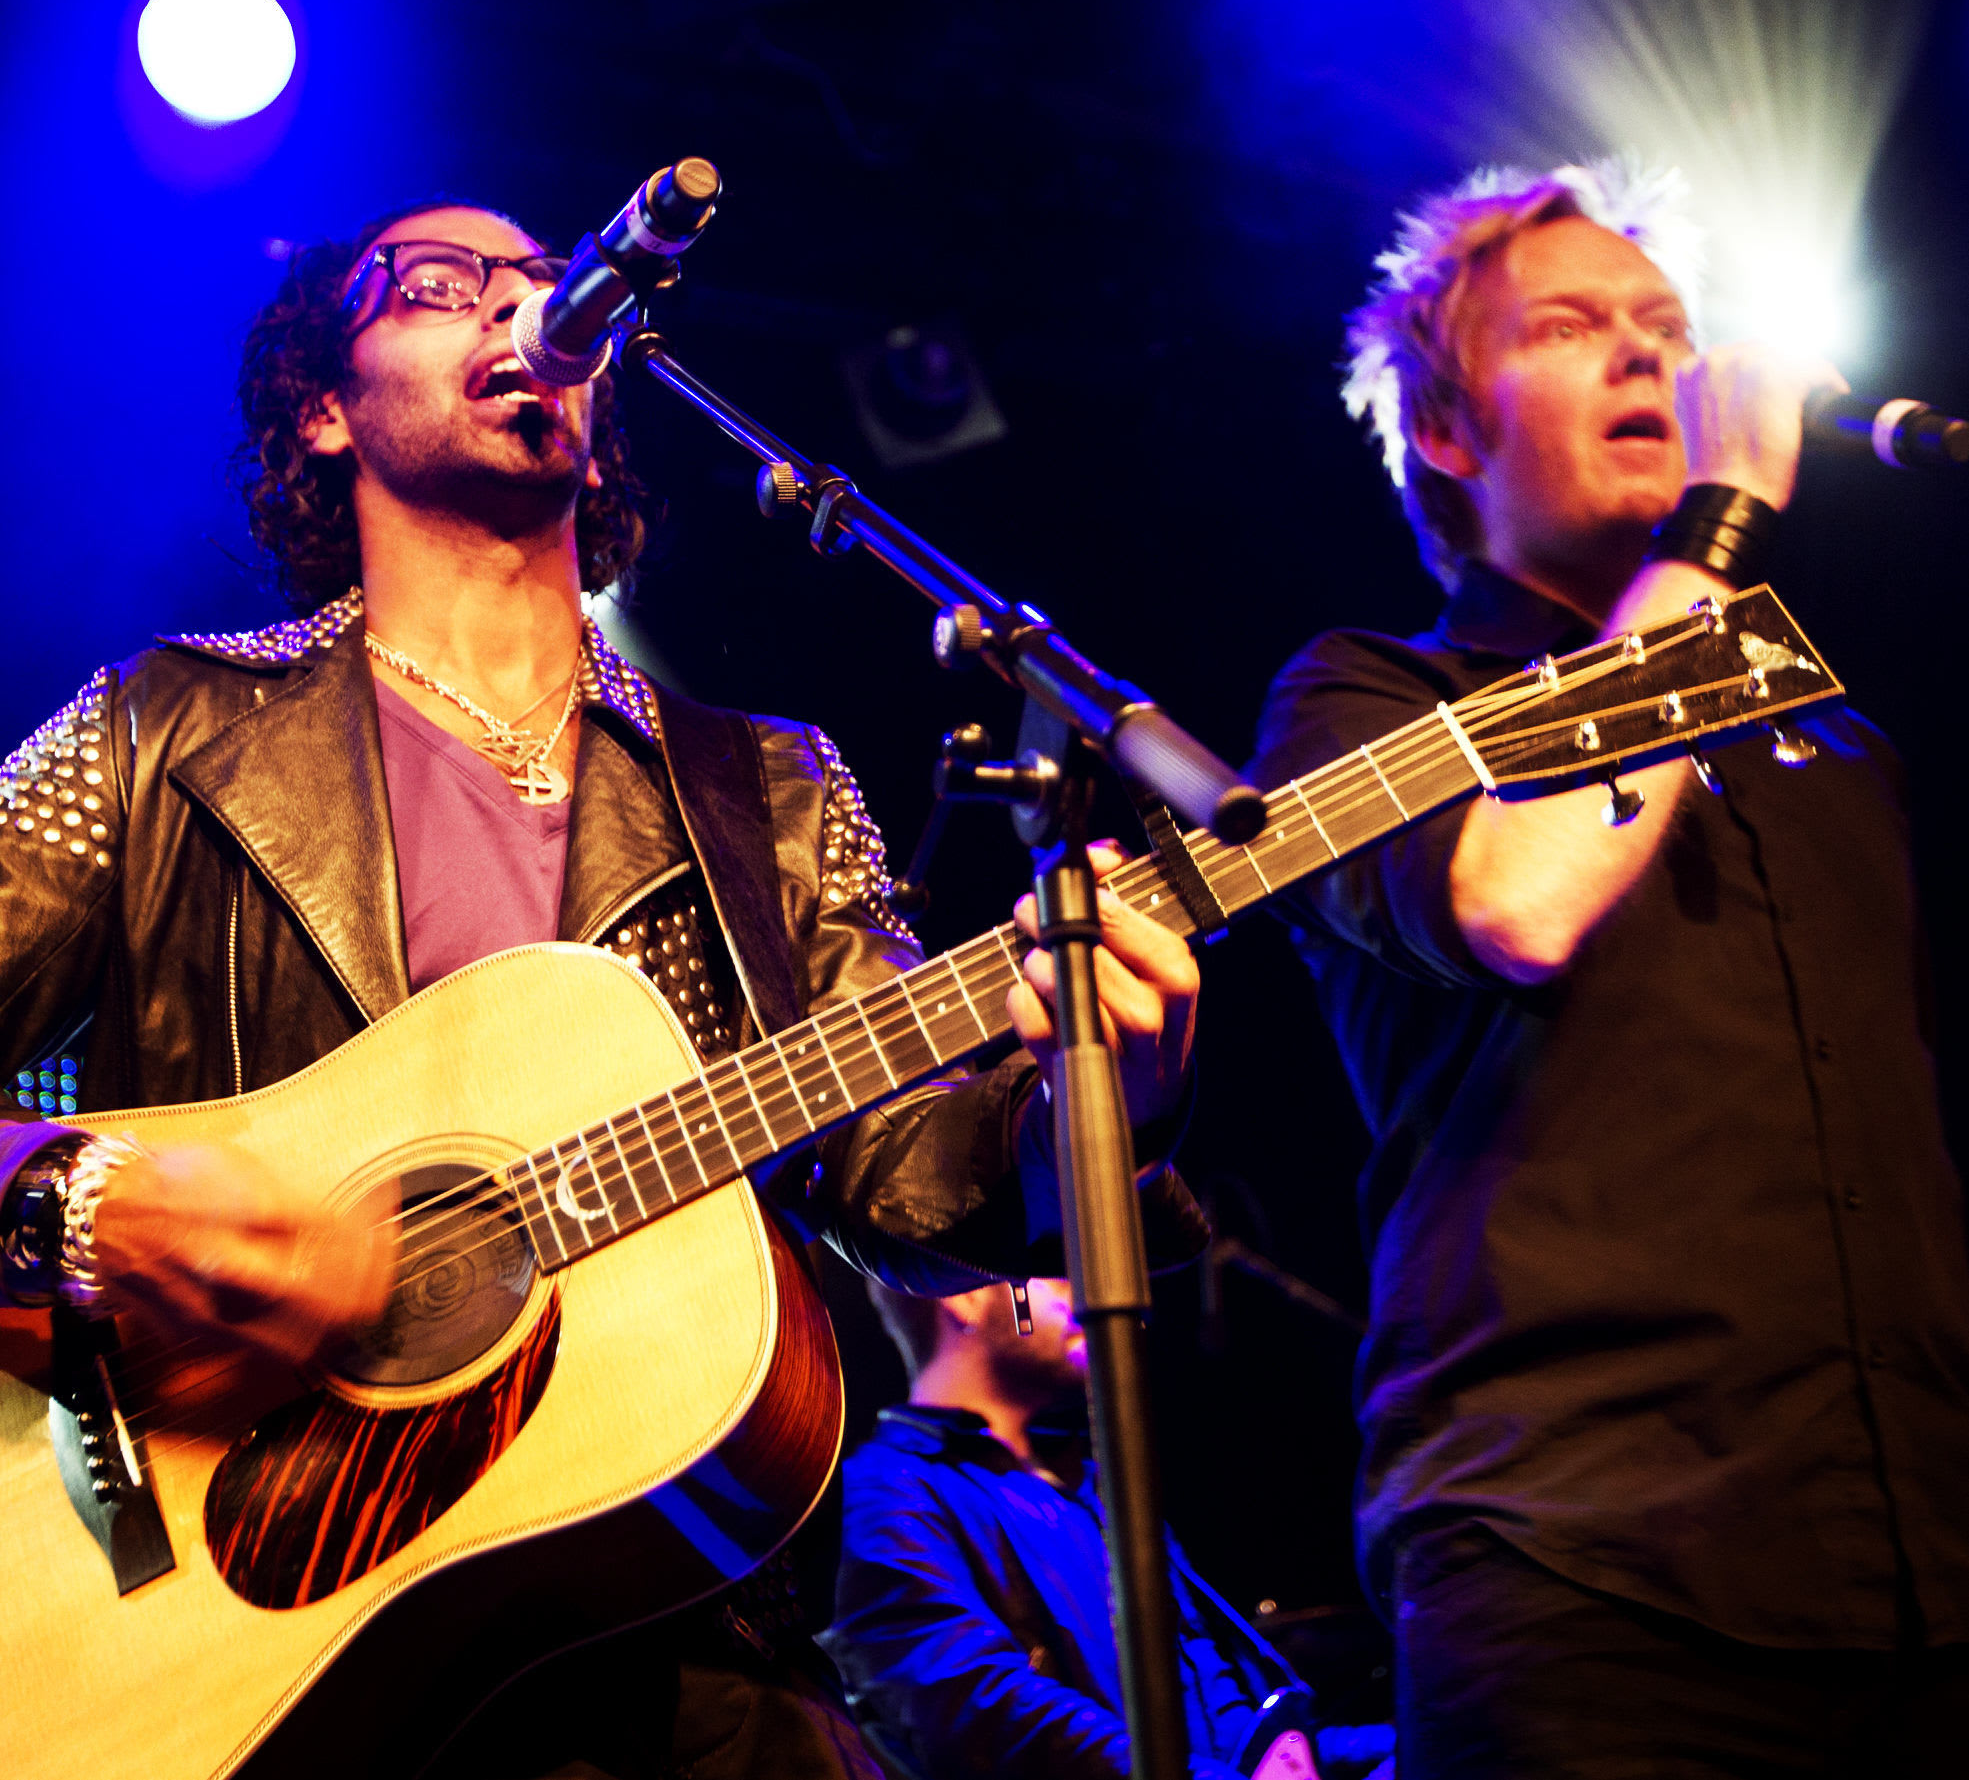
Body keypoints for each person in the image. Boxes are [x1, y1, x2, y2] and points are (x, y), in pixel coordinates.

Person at [0, 201, 1205, 1780]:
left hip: (694, 1658)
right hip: (252, 1643)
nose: (520, 311)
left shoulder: (768, 786)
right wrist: (74, 1206)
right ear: (323, 407)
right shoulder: (160, 728)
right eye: (441, 288)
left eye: (541, 284)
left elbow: (911, 1172)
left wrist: (1103, 1091)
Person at [1245, 160, 1969, 1776]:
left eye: (1665, 325)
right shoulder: (1367, 698)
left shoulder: (1835, 740)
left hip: (1910, 1570)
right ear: (1447, 430)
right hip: (1579, 1568)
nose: (1647, 353)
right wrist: (1718, 530)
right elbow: (1517, 902)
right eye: (1569, 327)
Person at [825, 1276, 1375, 1780]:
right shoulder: (884, 1492)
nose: (1080, 1291)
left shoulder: (1092, 1486)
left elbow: (1223, 1708)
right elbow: (983, 1715)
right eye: (1050, 1271)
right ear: (965, 1295)